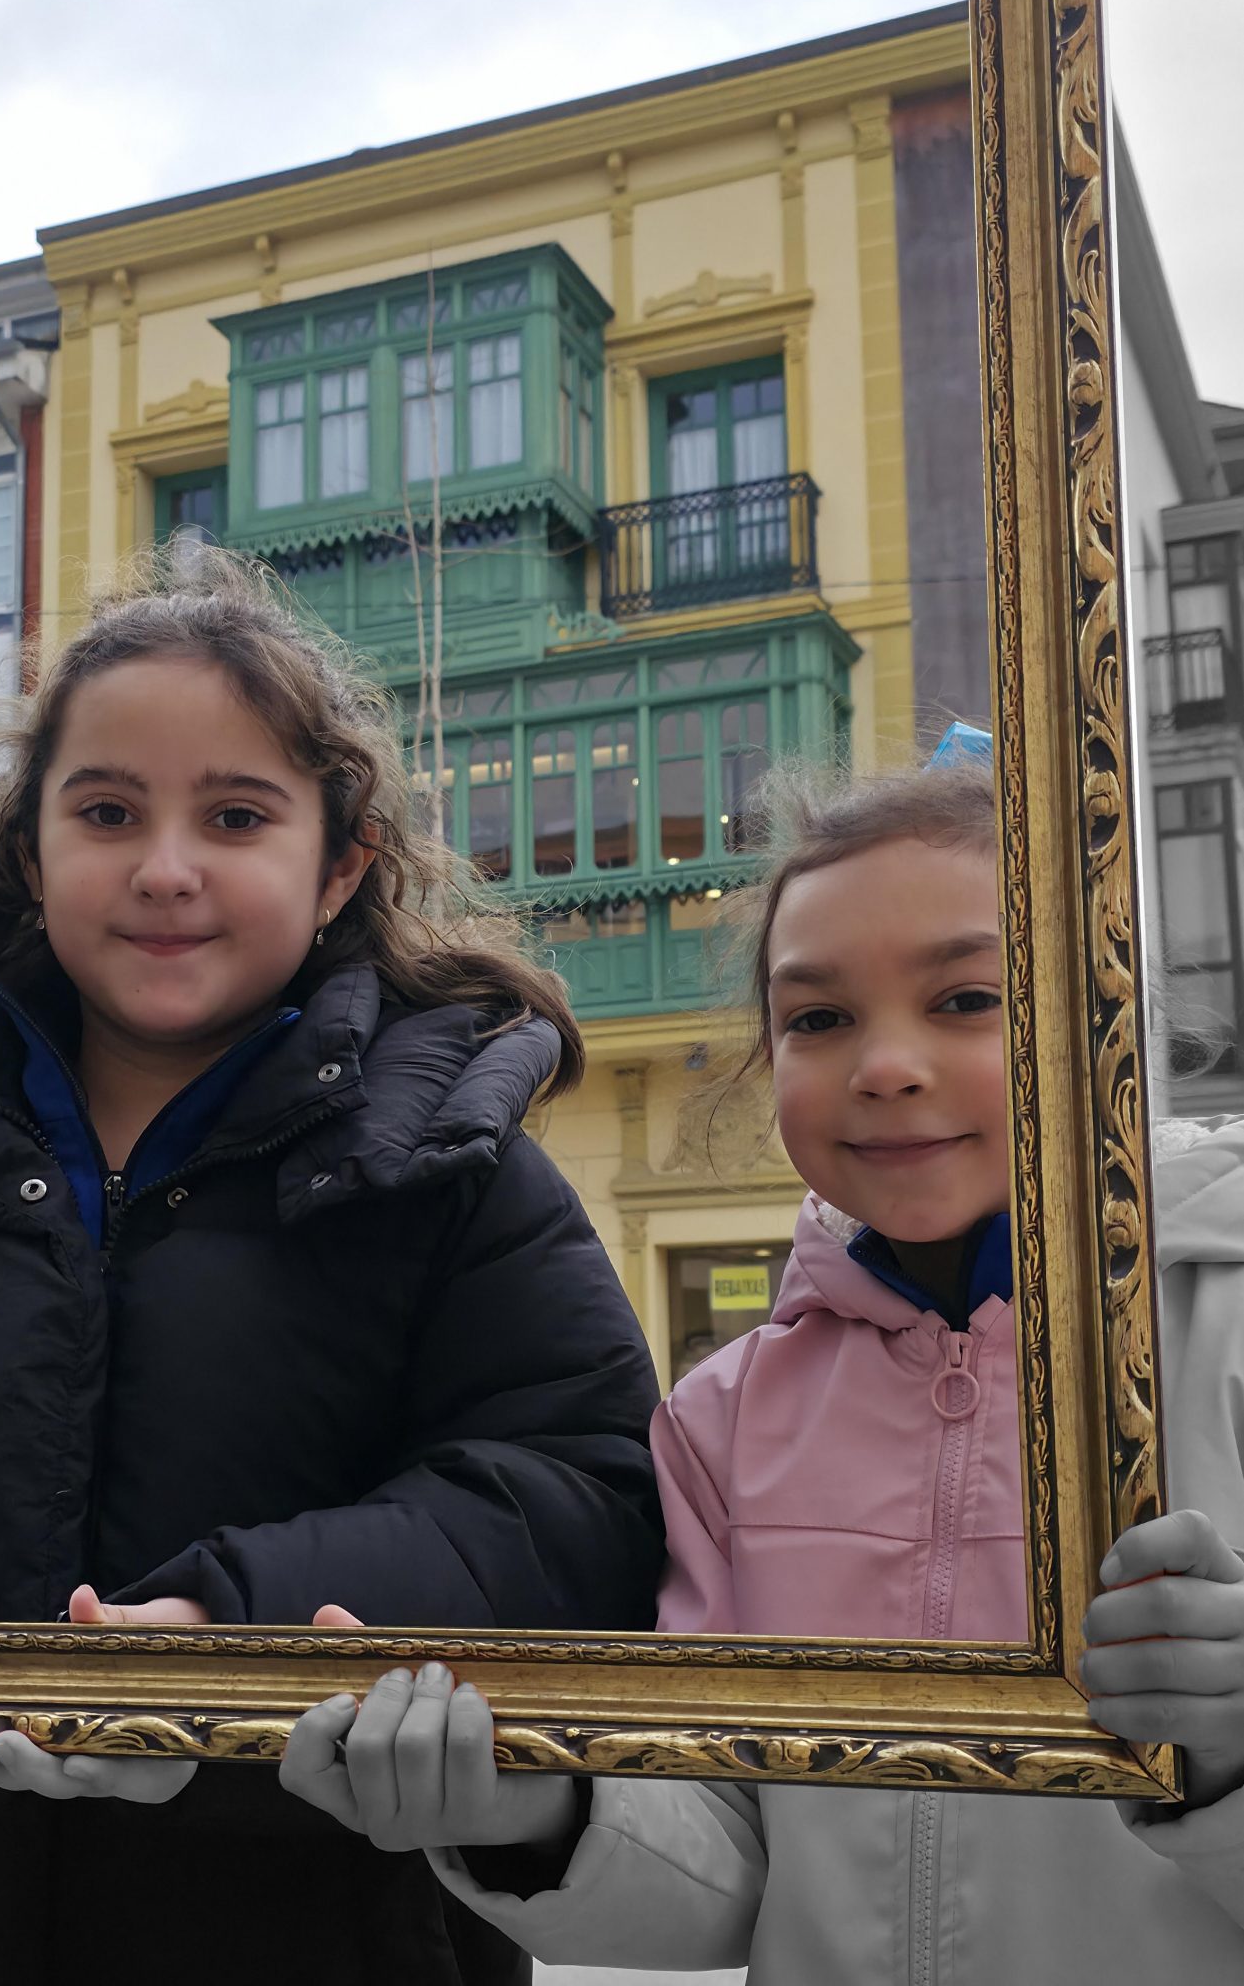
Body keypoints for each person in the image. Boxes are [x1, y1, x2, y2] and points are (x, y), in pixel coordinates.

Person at [0, 541, 664, 1986]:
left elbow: (576, 1497)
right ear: (32, 856)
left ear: (339, 866)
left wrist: (226, 1632)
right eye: (106, 812)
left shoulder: (448, 1169)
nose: (165, 869)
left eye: (236, 815)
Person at [282, 748, 1244, 1981]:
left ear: (1105, 1010)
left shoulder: (1217, 1333)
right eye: (818, 1018)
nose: (883, 1064)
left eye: (965, 998)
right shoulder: (723, 1416)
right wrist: (535, 1805)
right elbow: (720, 1850)